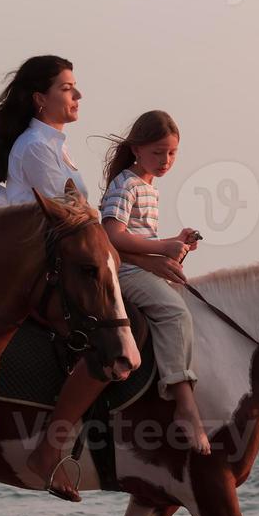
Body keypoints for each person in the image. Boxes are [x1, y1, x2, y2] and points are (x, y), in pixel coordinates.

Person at [0, 55, 184, 501]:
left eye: (75, 87)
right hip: (46, 265)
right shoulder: (36, 147)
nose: (78, 95)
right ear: (41, 99)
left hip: (67, 259)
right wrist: (145, 258)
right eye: (68, 88)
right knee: (112, 342)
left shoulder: (53, 144)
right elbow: (71, 223)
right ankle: (49, 450)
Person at [97, 111, 210, 455]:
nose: (166, 160)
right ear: (137, 149)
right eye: (158, 152)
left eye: (172, 153)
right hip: (122, 272)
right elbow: (111, 234)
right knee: (174, 314)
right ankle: (185, 405)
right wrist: (163, 248)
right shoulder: (126, 184)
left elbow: (139, 237)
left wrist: (177, 242)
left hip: (139, 267)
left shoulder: (148, 187)